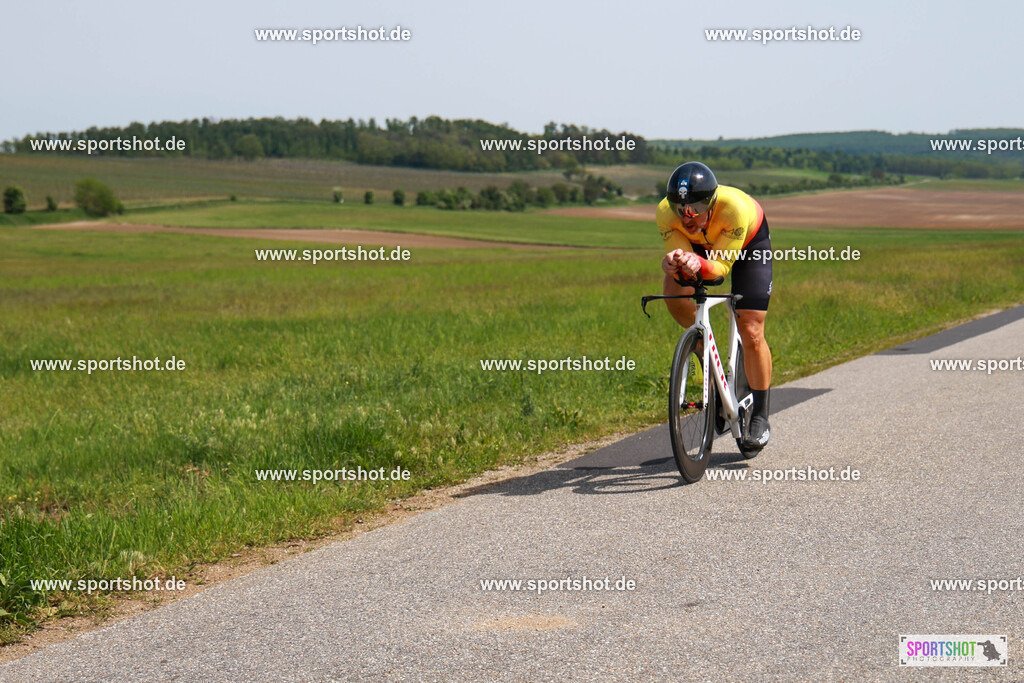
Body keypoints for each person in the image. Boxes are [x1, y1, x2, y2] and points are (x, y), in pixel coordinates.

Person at [657, 161, 773, 451]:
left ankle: (760, 415)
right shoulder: (664, 213)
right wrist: (675, 263)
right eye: (680, 208)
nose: (687, 216)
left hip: (747, 244)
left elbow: (719, 270)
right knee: (673, 287)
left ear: (711, 202)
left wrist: (699, 263)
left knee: (751, 328)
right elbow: (683, 262)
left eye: (695, 207)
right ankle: (709, 361)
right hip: (703, 245)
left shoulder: (732, 208)